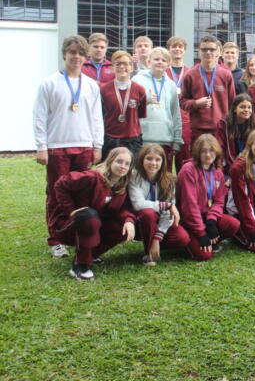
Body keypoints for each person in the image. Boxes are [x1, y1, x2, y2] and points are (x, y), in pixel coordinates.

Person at [34, 35, 103, 258]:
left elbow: (96, 117)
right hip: (57, 147)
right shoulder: (49, 83)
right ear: (65, 54)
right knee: (56, 193)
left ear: (86, 57)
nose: (76, 57)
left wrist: (97, 145)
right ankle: (55, 239)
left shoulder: (91, 85)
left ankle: (78, 233)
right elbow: (39, 116)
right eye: (72, 52)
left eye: (81, 53)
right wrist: (41, 146)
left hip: (84, 146)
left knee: (83, 194)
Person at [48, 147, 136, 280]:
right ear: (110, 161)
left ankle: (90, 255)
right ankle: (80, 265)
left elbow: (123, 209)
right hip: (67, 225)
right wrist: (70, 210)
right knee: (89, 215)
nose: (123, 166)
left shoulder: (121, 186)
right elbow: (60, 184)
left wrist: (129, 220)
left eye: (127, 164)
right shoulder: (92, 177)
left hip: (94, 224)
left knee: (122, 227)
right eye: (119, 161)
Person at [176, 135, 241, 261]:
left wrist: (211, 221)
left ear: (216, 152)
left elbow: (219, 201)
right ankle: (195, 240)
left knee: (233, 224)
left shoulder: (217, 172)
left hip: (207, 217)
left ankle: (211, 239)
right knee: (204, 255)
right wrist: (201, 233)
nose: (208, 154)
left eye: (211, 150)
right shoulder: (188, 170)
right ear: (197, 153)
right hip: (189, 220)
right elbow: (190, 206)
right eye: (203, 151)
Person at [129, 144, 189, 266]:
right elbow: (138, 204)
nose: (153, 163)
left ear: (163, 162)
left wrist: (157, 237)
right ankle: (148, 254)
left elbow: (169, 211)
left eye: (157, 159)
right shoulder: (134, 176)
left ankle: (156, 244)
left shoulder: (169, 179)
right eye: (149, 158)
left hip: (161, 221)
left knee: (182, 239)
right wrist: (165, 205)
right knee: (148, 213)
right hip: (140, 222)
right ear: (142, 159)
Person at [180, 35, 236, 149]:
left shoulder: (226, 75)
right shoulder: (190, 75)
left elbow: (232, 104)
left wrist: (231, 127)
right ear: (199, 51)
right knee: (198, 164)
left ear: (218, 52)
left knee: (219, 164)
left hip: (220, 129)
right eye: (204, 49)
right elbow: (182, 102)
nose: (208, 52)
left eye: (212, 49)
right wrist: (196, 103)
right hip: (198, 130)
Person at [133, 47, 182, 166]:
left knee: (163, 178)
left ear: (168, 64)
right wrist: (145, 101)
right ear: (149, 61)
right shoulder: (137, 80)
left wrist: (177, 140)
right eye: (156, 59)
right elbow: (131, 108)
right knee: (140, 175)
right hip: (143, 139)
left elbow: (175, 113)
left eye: (164, 60)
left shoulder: (171, 85)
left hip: (164, 139)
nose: (160, 62)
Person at [100, 50, 147, 158]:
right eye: (118, 64)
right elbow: (101, 115)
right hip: (110, 138)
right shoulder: (104, 90)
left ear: (131, 67)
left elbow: (140, 115)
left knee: (131, 172)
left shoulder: (140, 90)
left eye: (125, 64)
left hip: (132, 139)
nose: (122, 67)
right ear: (112, 67)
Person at [215, 94, 255, 176]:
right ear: (235, 109)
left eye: (249, 107)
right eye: (242, 107)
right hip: (228, 167)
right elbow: (219, 149)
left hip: (249, 166)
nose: (246, 110)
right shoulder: (223, 124)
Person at [166, 36, 192, 171]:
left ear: (185, 50)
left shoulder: (191, 72)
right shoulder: (164, 72)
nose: (177, 49)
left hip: (186, 121)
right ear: (169, 49)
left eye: (180, 47)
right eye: (174, 46)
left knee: (185, 161)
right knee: (166, 160)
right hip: (167, 120)